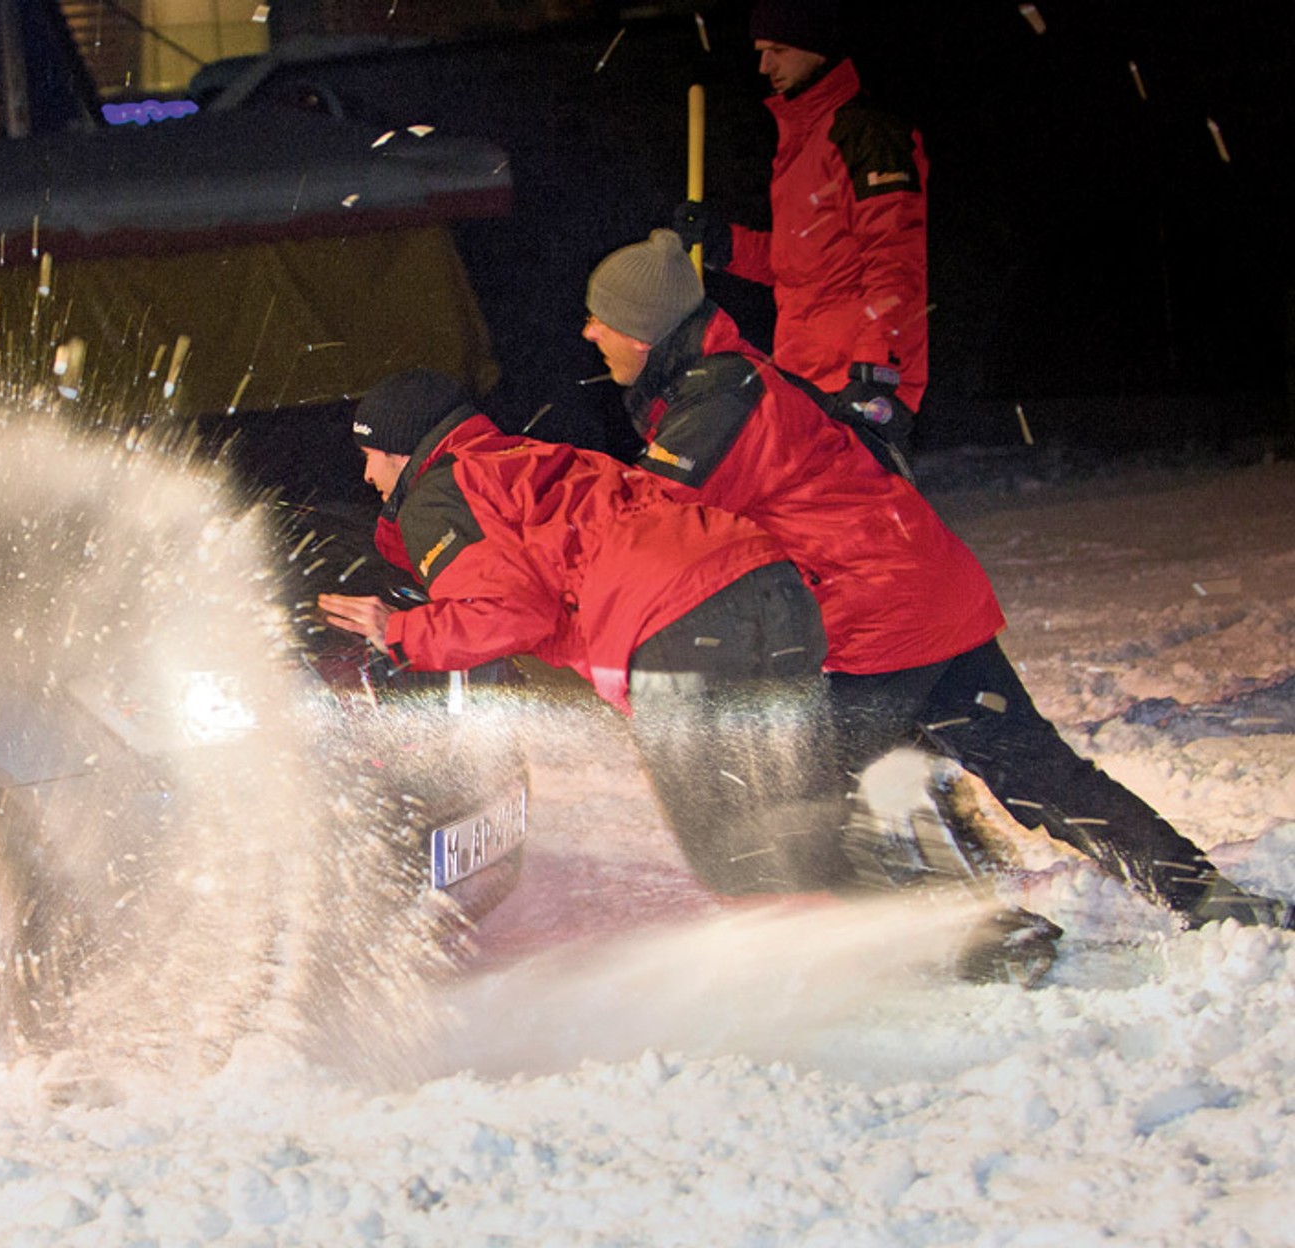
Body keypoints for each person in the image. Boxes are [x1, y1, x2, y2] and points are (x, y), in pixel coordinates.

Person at [581, 226, 1292, 933]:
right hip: (929, 595)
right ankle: (1203, 896)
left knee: (803, 796)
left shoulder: (719, 405)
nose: (588, 333)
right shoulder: (733, 380)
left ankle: (975, 938)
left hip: (882, 620)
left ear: (644, 335)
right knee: (1037, 772)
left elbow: (638, 528)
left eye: (600, 319)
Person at [317, 367, 852, 899]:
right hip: (771, 585)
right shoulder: (531, 458)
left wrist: (397, 629)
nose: (366, 476)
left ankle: (789, 938)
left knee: (731, 846)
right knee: (801, 825)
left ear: (398, 452)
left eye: (369, 456)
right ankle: (854, 932)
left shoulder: (438, 496)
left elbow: (512, 613)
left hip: (676, 622)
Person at [671, 0, 926, 449]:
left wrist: (877, 370)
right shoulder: (801, 141)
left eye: (780, 50)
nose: (765, 66)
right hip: (805, 374)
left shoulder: (865, 135)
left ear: (817, 47)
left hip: (855, 380)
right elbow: (803, 262)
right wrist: (724, 244)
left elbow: (895, 262)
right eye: (761, 52)